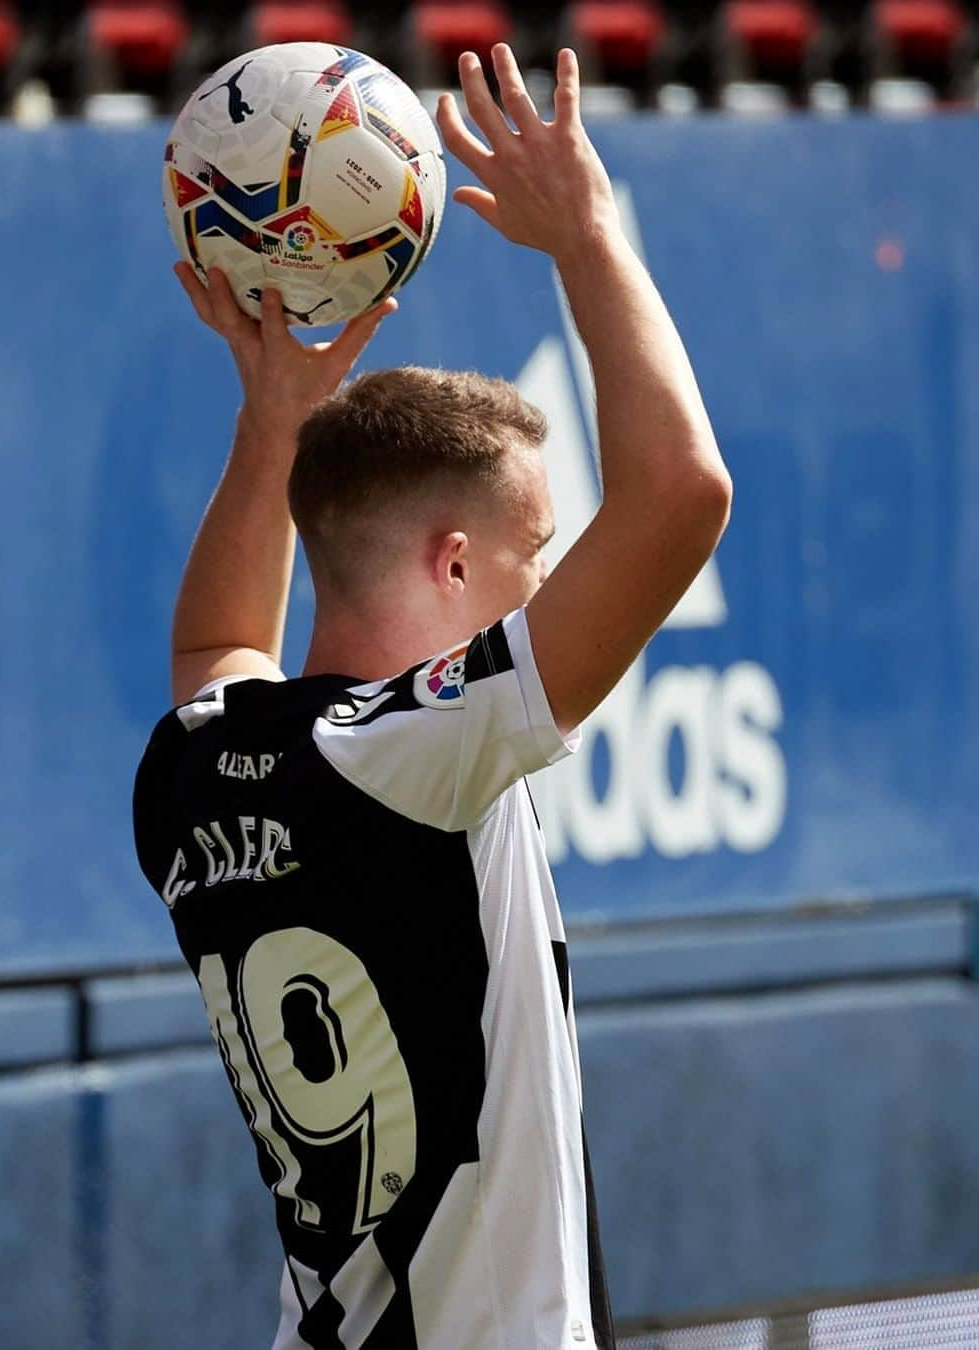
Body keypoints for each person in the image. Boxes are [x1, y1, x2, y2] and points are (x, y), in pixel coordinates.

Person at [133, 44, 731, 1350]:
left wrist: (274, 414)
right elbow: (684, 496)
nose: (552, 581)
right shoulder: (423, 756)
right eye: (538, 547)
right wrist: (587, 232)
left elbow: (219, 646)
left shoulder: (189, 764)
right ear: (454, 560)